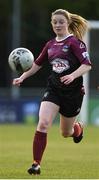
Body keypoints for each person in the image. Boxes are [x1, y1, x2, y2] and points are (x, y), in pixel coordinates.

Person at [12, 9, 92, 175]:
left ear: (68, 23)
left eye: (61, 22)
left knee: (66, 133)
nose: (57, 25)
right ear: (52, 24)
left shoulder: (75, 43)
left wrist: (72, 75)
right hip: (54, 89)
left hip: (73, 93)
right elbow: (36, 64)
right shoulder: (50, 45)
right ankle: (36, 164)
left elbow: (87, 65)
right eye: (55, 22)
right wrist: (22, 77)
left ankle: (77, 129)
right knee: (43, 124)